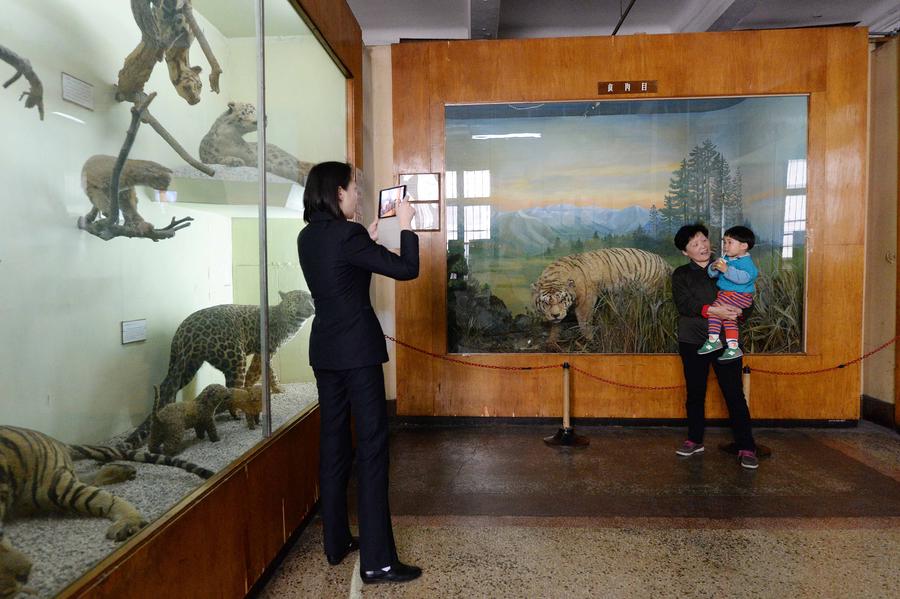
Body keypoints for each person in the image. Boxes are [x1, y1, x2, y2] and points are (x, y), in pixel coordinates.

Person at [297, 161, 422, 583]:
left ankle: (337, 542)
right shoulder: (347, 235)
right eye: (355, 190)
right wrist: (406, 226)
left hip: (325, 353)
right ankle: (378, 561)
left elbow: (340, 278)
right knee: (371, 449)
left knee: (333, 444)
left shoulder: (308, 236)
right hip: (359, 355)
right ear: (337, 194)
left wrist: (364, 244)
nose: (359, 197)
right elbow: (407, 269)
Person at [671, 223, 758, 470]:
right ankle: (694, 439)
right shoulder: (681, 274)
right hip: (692, 341)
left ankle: (746, 446)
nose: (703, 246)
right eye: (695, 244)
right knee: (695, 394)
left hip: (726, 341)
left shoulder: (728, 266)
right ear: (685, 252)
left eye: (704, 241)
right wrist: (714, 310)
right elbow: (684, 305)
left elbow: (746, 298)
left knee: (734, 394)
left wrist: (739, 312)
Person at [698, 225, 758, 363]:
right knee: (729, 319)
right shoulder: (729, 259)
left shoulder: (746, 262)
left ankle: (713, 339)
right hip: (728, 295)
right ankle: (733, 347)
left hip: (737, 296)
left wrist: (726, 269)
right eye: (724, 242)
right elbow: (714, 275)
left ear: (743, 246)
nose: (725, 246)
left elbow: (745, 278)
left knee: (714, 311)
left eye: (730, 242)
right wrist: (713, 268)